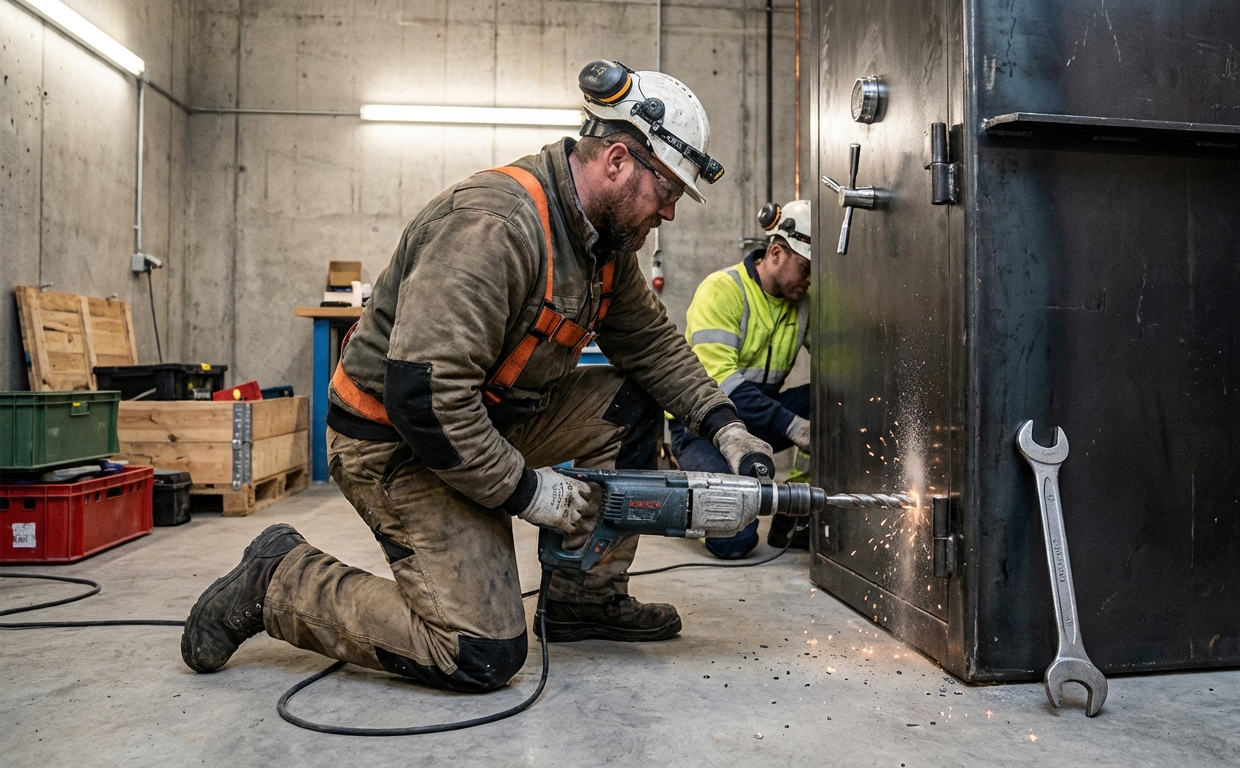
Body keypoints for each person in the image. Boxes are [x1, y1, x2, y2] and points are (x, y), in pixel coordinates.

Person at [180, 60, 773, 693]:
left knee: (629, 401)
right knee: (480, 651)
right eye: (669, 192)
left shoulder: (603, 243)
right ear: (620, 161)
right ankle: (280, 577)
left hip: (486, 424)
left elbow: (651, 347)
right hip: (399, 445)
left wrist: (726, 426)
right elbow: (424, 399)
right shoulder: (496, 227)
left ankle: (582, 600)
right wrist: (525, 492)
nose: (671, 213)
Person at [670, 199, 812, 559]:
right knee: (734, 542)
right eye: (805, 268)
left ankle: (796, 510)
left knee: (832, 397)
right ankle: (690, 492)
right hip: (704, 425)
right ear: (776, 252)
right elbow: (719, 383)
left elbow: (843, 363)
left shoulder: (804, 302)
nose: (810, 280)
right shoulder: (723, 290)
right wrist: (792, 425)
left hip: (759, 420)